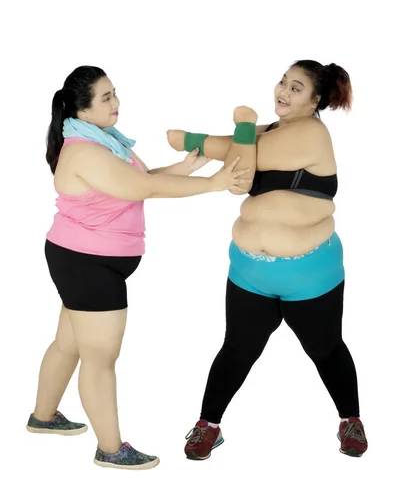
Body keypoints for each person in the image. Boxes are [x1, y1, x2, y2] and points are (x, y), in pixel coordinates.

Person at [26, 65, 252, 471]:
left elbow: (140, 178)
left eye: (115, 93)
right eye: (106, 97)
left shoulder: (106, 141)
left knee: (70, 343)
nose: (116, 103)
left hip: (82, 258)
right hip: (88, 264)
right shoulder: (84, 151)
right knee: (100, 358)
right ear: (82, 109)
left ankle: (43, 417)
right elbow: (142, 189)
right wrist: (213, 184)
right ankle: (110, 449)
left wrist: (187, 168)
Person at [167, 60, 368, 460]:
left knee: (325, 349)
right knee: (237, 349)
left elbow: (244, 161)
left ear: (315, 101)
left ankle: (351, 420)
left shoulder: (311, 133)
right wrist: (211, 138)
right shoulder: (275, 130)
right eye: (283, 81)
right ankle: (207, 425)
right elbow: (235, 146)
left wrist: (207, 134)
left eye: (297, 88)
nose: (283, 91)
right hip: (249, 272)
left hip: (309, 273)